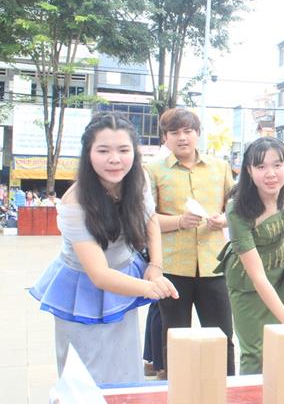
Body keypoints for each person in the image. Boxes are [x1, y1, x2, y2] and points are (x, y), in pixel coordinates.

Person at [29, 113, 178, 385]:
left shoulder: (139, 180)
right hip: (82, 289)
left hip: (123, 278)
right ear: (88, 153)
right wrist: (151, 288)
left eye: (123, 150)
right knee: (85, 377)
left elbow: (150, 220)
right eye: (103, 150)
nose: (115, 159)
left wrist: (156, 266)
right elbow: (99, 274)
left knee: (124, 367)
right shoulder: (75, 202)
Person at [145, 108, 236, 377]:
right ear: (165, 137)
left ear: (197, 134)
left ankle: (226, 387)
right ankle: (177, 389)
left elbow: (235, 208)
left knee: (222, 334)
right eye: (174, 132)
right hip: (173, 266)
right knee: (175, 337)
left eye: (188, 131)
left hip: (214, 265)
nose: (182, 137)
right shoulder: (153, 171)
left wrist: (224, 220)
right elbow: (146, 219)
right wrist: (179, 221)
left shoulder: (220, 167)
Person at [215, 137, 284, 374]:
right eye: (261, 166)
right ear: (248, 170)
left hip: (282, 273)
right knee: (255, 352)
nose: (271, 174)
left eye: (277, 164)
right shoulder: (237, 209)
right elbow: (258, 277)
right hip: (249, 283)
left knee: (280, 347)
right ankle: (250, 396)